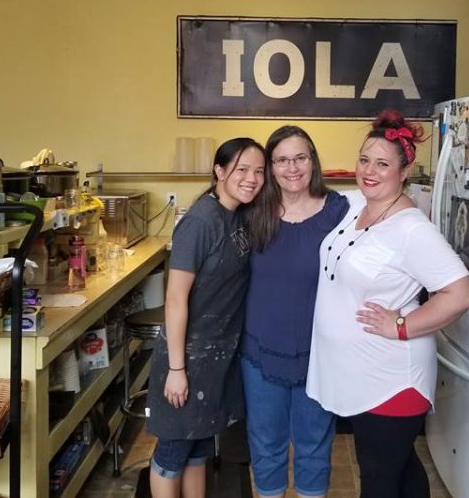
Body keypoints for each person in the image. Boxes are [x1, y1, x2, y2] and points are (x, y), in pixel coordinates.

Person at [307, 110, 469, 498]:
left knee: (380, 482)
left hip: (393, 381)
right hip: (361, 377)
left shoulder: (413, 230)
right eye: (364, 159)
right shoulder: (354, 207)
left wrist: (401, 325)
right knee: (402, 471)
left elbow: (461, 293)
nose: (369, 170)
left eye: (383, 164)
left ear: (403, 171)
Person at [146, 137, 266, 498]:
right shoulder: (200, 221)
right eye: (242, 169)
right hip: (188, 356)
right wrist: (178, 370)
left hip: (218, 357)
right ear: (219, 171)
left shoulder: (240, 215)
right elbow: (175, 299)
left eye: (259, 171)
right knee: (173, 451)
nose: (252, 178)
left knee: (199, 449)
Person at [242, 126, 349, 498]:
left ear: (313, 161)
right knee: (265, 443)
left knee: (314, 444)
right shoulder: (253, 211)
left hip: (319, 353)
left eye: (300, 158)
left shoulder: (340, 212)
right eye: (282, 160)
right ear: (270, 167)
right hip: (259, 351)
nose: (292, 168)